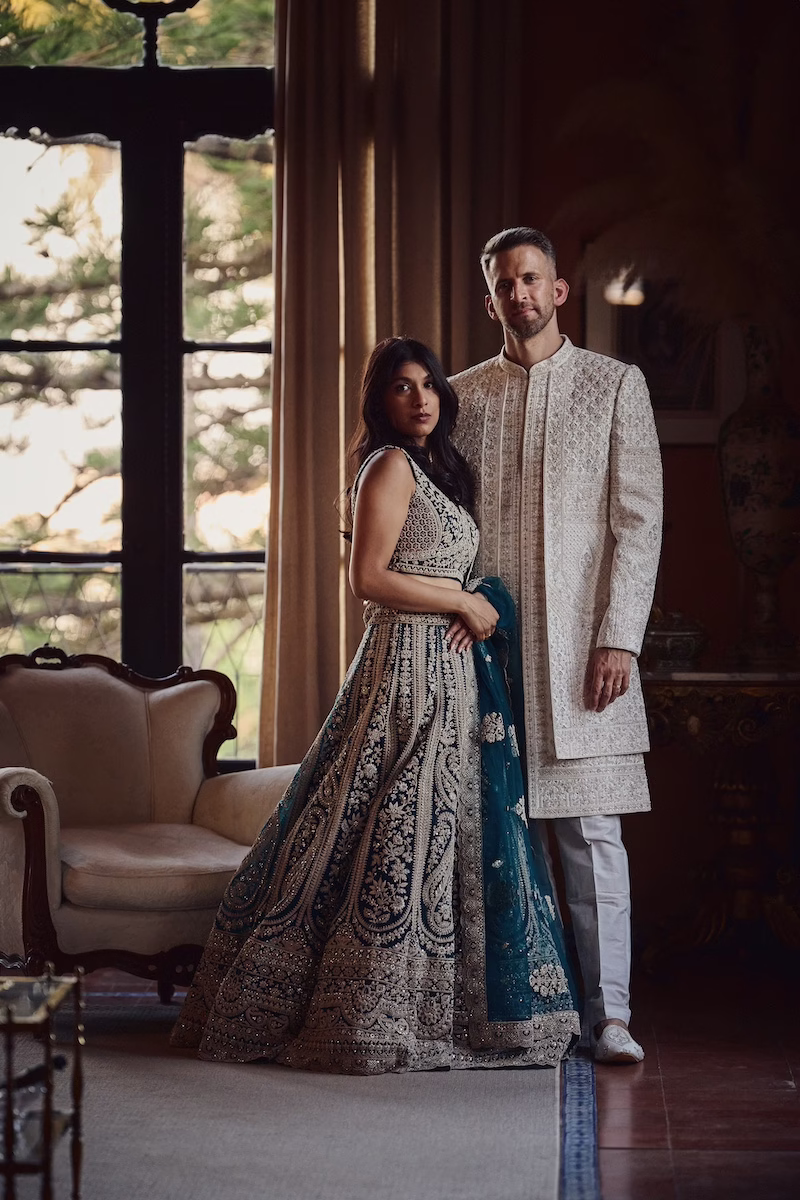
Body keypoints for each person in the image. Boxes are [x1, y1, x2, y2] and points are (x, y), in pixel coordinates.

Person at [171, 335, 579, 1074]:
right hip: (405, 666)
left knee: (432, 824)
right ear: (380, 401)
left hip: (448, 671)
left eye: (428, 384)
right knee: (388, 817)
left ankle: (429, 1010)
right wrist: (461, 599)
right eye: (402, 386)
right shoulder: (387, 466)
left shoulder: (437, 469)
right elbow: (370, 576)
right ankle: (360, 1012)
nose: (421, 397)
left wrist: (475, 602)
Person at [449, 228, 663, 1065]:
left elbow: (637, 524)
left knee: (590, 835)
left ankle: (611, 1018)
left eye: (532, 280)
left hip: (586, 656)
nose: (520, 295)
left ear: (560, 289)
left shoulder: (615, 386)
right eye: (505, 284)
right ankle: (519, 1015)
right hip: (487, 654)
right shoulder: (462, 396)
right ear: (491, 296)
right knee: (494, 836)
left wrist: (620, 638)